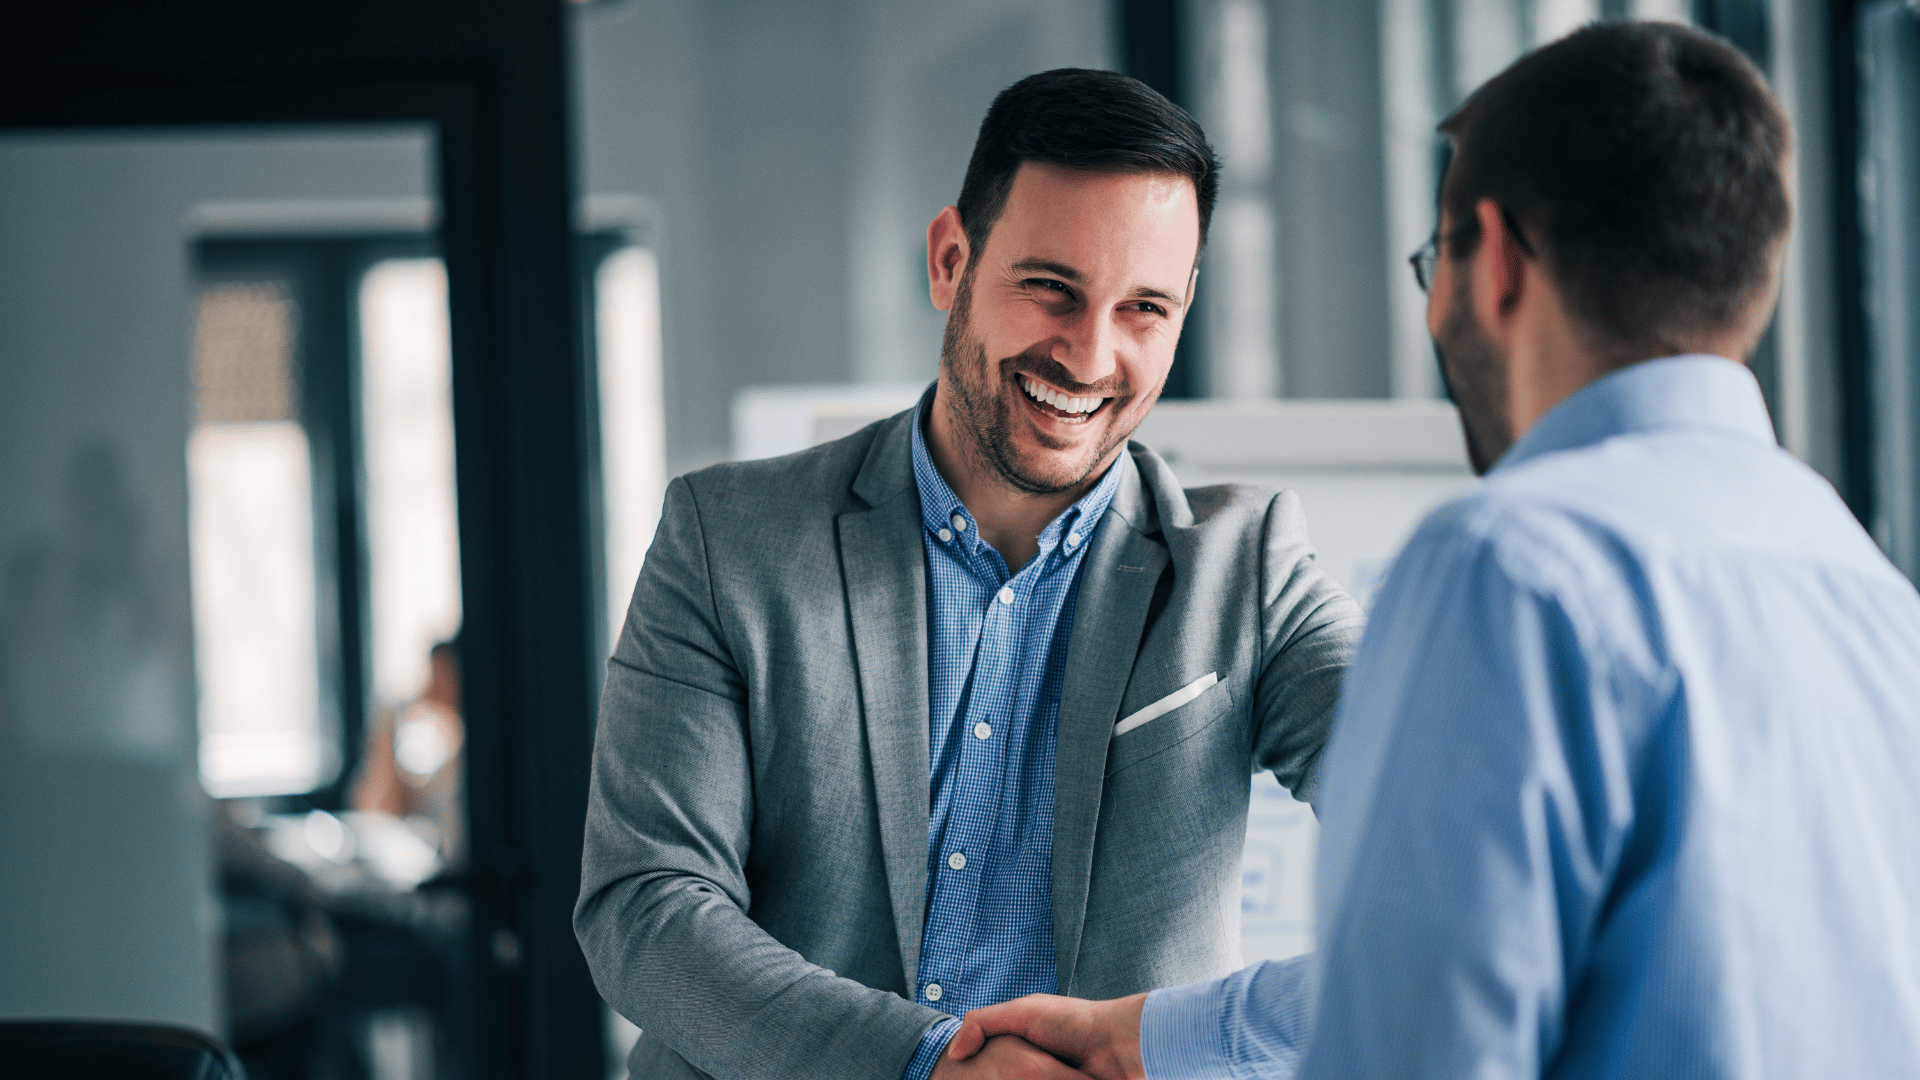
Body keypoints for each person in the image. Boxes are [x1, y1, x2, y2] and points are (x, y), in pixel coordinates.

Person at [948, 21, 1920, 1080]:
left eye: (1433, 260)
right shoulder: (1870, 590)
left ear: (1494, 256)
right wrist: (1158, 1036)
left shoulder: (1512, 566)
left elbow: (1420, 1044)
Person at [574, 69, 1366, 1080]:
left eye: (1145, 310)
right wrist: (929, 1064)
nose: (1090, 354)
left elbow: (1467, 854)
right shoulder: (728, 539)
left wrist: (1195, 1041)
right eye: (1052, 289)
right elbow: (644, 908)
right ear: (952, 258)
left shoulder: (1247, 571)